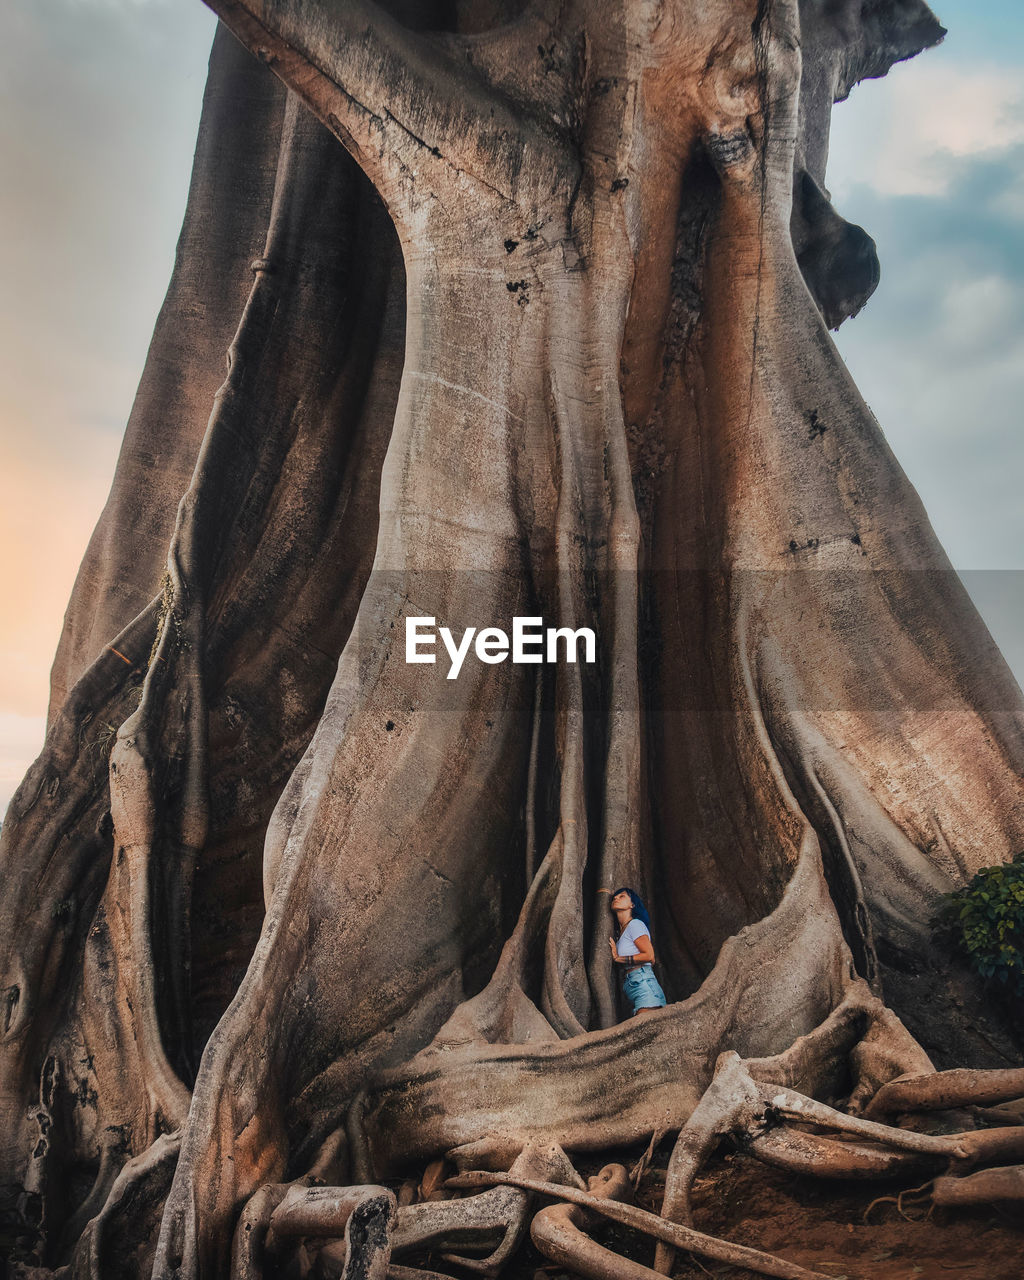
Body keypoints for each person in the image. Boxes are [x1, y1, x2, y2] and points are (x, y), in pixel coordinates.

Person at [607, 886, 667, 1015]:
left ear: (632, 904)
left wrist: (618, 958)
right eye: (614, 897)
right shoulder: (622, 931)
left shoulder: (635, 924)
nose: (616, 898)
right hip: (633, 983)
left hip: (644, 983)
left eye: (622, 896)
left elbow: (650, 956)